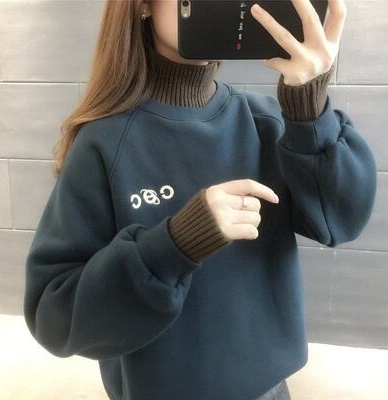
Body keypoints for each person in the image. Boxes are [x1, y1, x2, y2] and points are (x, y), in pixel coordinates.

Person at [23, 1, 376, 399]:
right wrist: (176, 243)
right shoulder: (104, 144)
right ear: (142, 6)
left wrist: (309, 108)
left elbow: (340, 222)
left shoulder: (265, 123)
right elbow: (54, 317)